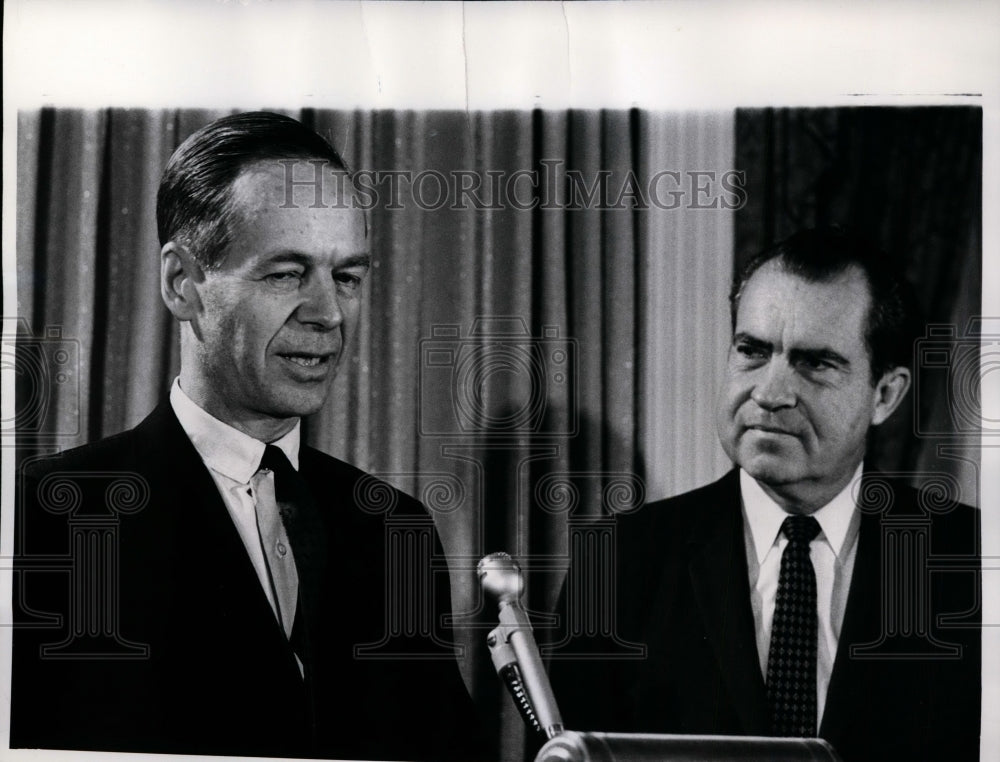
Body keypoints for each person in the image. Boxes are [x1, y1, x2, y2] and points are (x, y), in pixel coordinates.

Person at [11, 112, 487, 761]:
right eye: (286, 273)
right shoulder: (40, 521)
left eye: (346, 277)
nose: (327, 314)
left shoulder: (394, 531)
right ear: (182, 283)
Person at [549, 228, 981, 762]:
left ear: (886, 395)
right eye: (751, 351)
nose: (770, 393)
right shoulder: (617, 561)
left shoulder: (974, 561)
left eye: (815, 363)